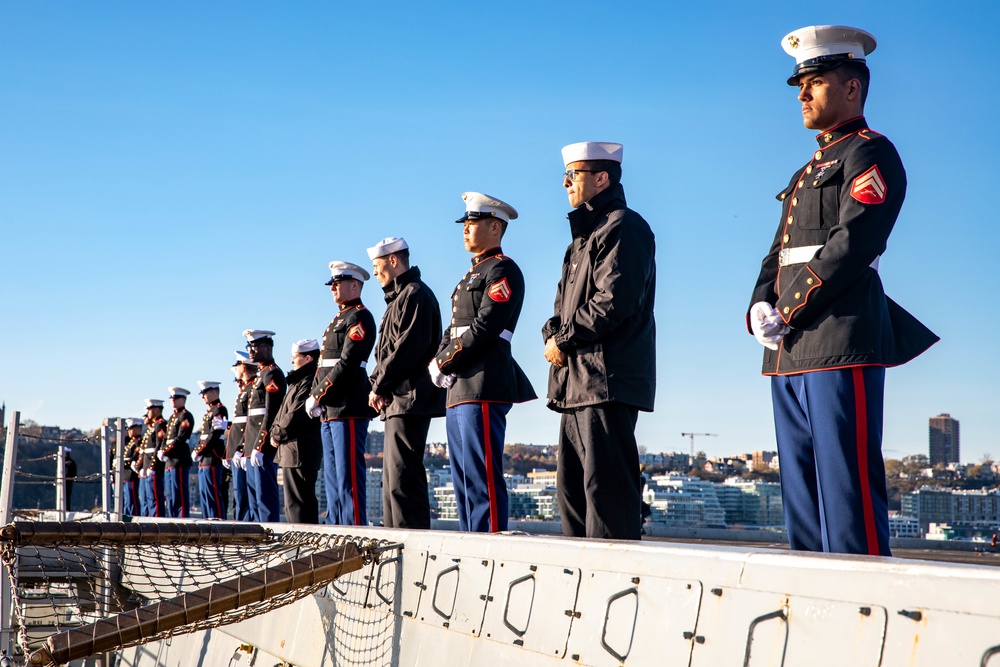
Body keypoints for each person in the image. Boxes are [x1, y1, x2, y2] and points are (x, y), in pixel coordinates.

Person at [747, 25, 938, 555]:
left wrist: (787, 307)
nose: (802, 94)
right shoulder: (806, 170)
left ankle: (865, 596)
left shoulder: (871, 154)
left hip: (838, 336)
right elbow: (777, 252)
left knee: (844, 486)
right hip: (789, 349)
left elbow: (853, 242)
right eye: (799, 85)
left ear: (852, 88)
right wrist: (759, 304)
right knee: (801, 494)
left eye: (815, 81)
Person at [542, 142, 656, 541]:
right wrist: (552, 336)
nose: (566, 183)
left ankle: (616, 583)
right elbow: (560, 309)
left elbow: (613, 302)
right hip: (575, 382)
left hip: (606, 380)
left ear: (602, 178)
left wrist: (563, 341)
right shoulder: (579, 242)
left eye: (574, 175)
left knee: (606, 493)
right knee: (571, 494)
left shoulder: (625, 226)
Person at [430, 192, 536, 533]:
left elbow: (485, 327)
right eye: (464, 224)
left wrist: (443, 362)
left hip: (484, 380)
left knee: (483, 473)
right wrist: (440, 361)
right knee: (462, 474)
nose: (465, 230)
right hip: (460, 384)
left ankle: (489, 542)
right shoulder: (470, 276)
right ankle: (470, 541)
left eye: (472, 223)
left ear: (495, 226)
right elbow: (454, 328)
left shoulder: (502, 270)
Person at [367, 236, 445, 529]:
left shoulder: (415, 295)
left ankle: (409, 541)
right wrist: (377, 384)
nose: (375, 272)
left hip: (410, 399)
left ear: (394, 261)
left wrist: (379, 386)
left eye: (377, 266)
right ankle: (394, 536)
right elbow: (383, 354)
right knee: (392, 481)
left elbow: (407, 350)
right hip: (397, 400)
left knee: (403, 479)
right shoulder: (398, 299)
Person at [306, 262, 377, 526]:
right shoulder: (338, 319)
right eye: (332, 284)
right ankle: (336, 526)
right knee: (333, 478)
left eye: (338, 282)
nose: (333, 287)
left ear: (355, 285)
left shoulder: (360, 317)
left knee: (348, 476)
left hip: (348, 404)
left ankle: (354, 529)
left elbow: (347, 363)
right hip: (330, 407)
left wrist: (318, 394)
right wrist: (316, 395)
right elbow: (324, 365)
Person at [272, 339, 323, 524]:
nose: (292, 361)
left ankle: (302, 547)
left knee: (299, 505)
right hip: (291, 451)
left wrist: (277, 435)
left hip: (299, 451)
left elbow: (295, 415)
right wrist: (273, 432)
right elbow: (281, 413)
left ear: (308, 358)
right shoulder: (297, 381)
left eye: (295, 357)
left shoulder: (308, 381)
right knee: (293, 504)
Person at [243, 329, 287, 522]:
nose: (250, 351)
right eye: (249, 346)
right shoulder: (261, 375)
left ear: (267, 348)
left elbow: (271, 412)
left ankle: (269, 534)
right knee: (254, 498)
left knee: (265, 496)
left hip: (263, 445)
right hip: (253, 444)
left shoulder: (273, 374)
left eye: (254, 346)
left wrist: (260, 445)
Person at [227, 350, 258, 521]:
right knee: (240, 496)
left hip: (246, 449)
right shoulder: (245, 391)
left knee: (248, 496)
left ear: (243, 367)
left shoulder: (252, 389)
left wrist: (240, 448)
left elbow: (251, 424)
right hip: (240, 450)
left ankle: (247, 528)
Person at [194, 381, 228, 519]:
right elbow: (203, 435)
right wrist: (198, 450)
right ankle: (207, 521)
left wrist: (199, 451)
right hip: (205, 457)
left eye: (205, 393)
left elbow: (214, 435)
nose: (203, 397)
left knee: (213, 493)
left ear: (214, 392)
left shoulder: (219, 409)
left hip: (212, 456)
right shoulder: (209, 411)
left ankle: (217, 522)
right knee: (205, 494)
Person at [160, 387, 194, 518]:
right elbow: (166, 437)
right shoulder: (172, 417)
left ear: (183, 400)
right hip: (170, 460)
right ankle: (173, 518)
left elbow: (181, 438)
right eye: (172, 398)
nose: (173, 401)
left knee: (179, 493)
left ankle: (182, 520)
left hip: (179, 458)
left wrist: (166, 451)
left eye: (176, 398)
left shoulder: (185, 415)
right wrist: (163, 450)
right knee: (170, 494)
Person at [139, 399, 167, 517]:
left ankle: (157, 523)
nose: (148, 413)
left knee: (155, 498)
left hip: (154, 467)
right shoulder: (154, 426)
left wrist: (152, 466)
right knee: (149, 499)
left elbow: (159, 446)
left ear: (156, 410)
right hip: (148, 466)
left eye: (149, 410)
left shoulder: (160, 424)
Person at [120, 418, 143, 516]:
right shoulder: (131, 443)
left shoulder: (138, 442)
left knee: (132, 501)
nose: (128, 431)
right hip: (126, 475)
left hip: (131, 475)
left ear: (138, 429)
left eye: (131, 429)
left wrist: (123, 461)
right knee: (127, 502)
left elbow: (134, 457)